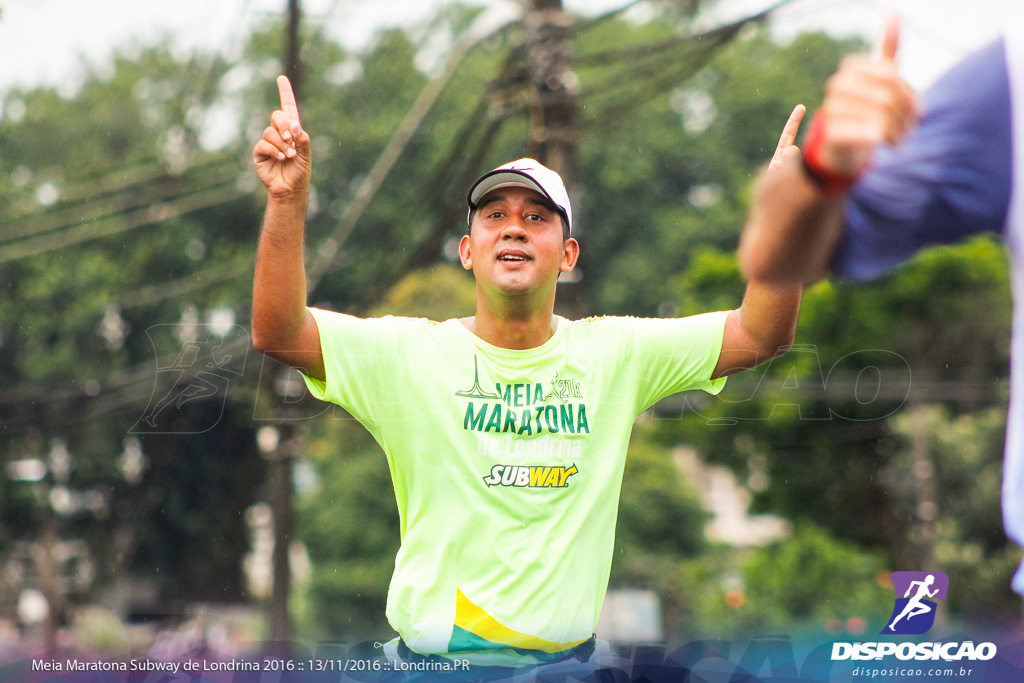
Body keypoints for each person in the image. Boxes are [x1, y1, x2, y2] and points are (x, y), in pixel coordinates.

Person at [249, 70, 843, 676]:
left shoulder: (615, 353)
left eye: (537, 217)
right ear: (466, 249)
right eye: (495, 214)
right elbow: (280, 332)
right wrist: (287, 199)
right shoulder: (408, 355)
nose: (513, 225)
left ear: (568, 254)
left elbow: (761, 333)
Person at [738, 19, 1024, 596]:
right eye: (496, 214)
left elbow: (757, 335)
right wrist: (822, 166)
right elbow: (774, 255)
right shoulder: (1013, 79)